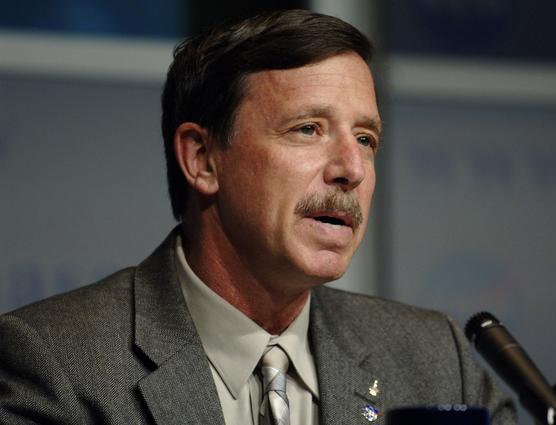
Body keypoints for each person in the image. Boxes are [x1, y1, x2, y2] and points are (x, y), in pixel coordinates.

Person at [0, 9, 516, 425]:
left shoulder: (434, 359)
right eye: (308, 129)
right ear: (203, 159)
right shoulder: (56, 364)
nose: (352, 169)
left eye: (365, 139)